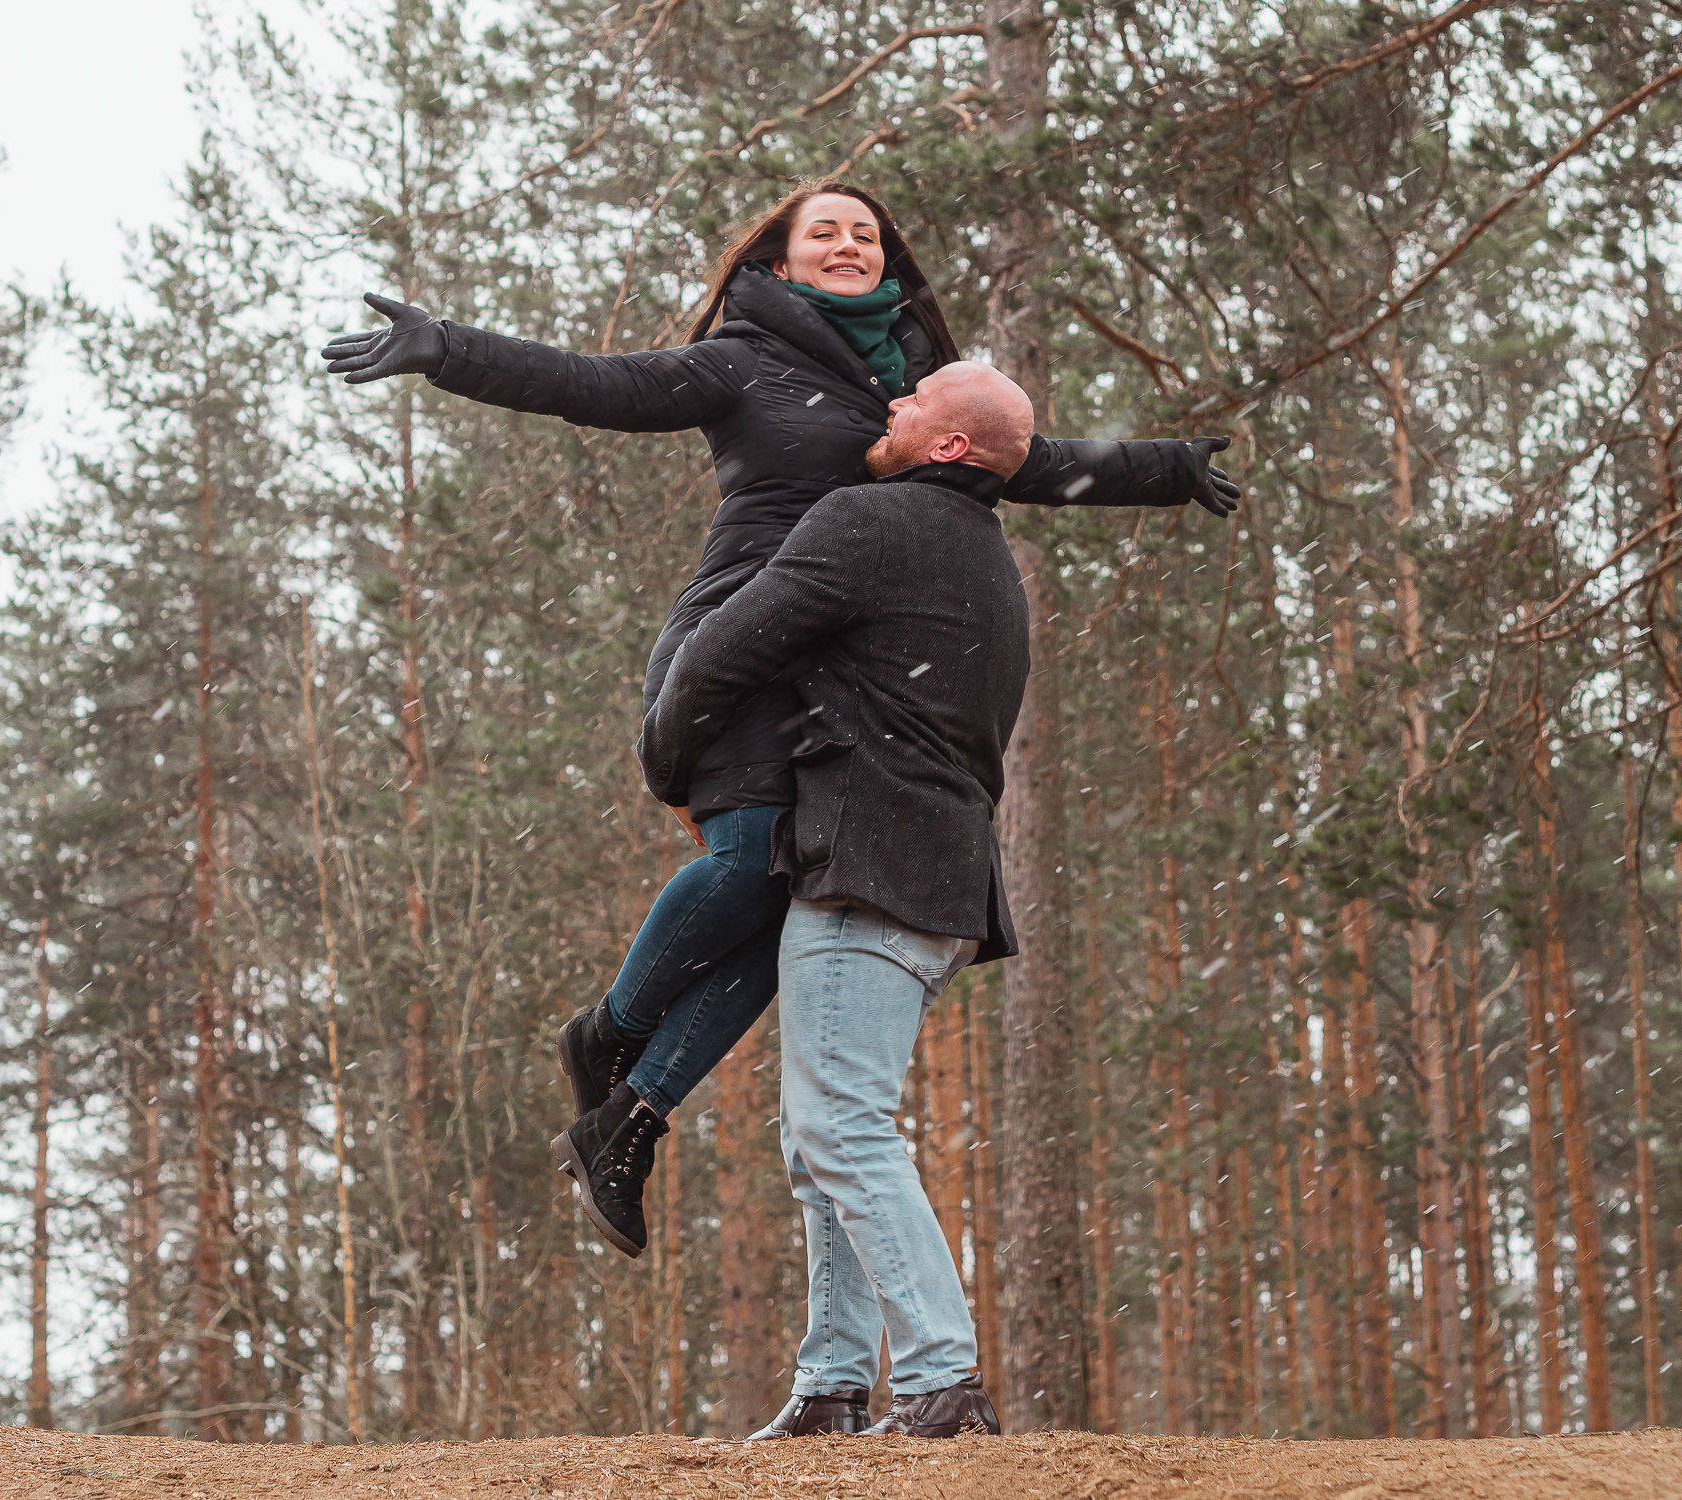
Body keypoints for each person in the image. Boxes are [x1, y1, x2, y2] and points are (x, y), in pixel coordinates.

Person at [321, 181, 1240, 1258]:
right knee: (753, 859)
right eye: (824, 232)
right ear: (781, 261)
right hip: (738, 645)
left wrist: (1169, 468)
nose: (848, 244)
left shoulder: (910, 394)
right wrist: (445, 349)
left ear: (886, 260)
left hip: (839, 680)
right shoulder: (742, 359)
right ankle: (609, 1034)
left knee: (798, 901)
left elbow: (1030, 459)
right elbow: (594, 384)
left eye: (865, 233)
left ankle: (630, 1119)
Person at [640, 361, 1051, 1440]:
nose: (893, 403)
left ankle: (941, 1381)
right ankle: (830, 1384)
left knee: (840, 1128)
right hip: (938, 882)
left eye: (916, 400)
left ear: (948, 445)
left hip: (869, 868)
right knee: (821, 1132)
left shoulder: (866, 520)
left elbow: (718, 654)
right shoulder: (985, 555)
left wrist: (671, 768)